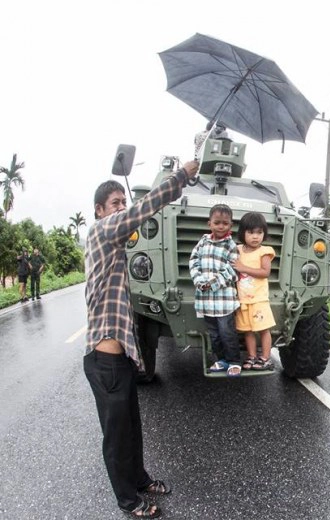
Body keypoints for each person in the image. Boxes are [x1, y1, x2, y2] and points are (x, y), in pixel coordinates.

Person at [84, 158, 199, 518]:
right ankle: (128, 500)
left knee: (132, 429)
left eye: (123, 202)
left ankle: (141, 479)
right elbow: (144, 209)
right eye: (115, 204)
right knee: (116, 438)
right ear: (100, 211)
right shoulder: (102, 231)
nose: (122, 208)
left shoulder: (116, 248)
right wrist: (182, 174)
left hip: (119, 361)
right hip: (105, 361)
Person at [189, 203, 242, 376]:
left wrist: (212, 283)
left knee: (227, 332)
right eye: (217, 222)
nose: (221, 226)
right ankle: (222, 359)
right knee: (214, 334)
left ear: (230, 225)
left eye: (225, 223)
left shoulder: (230, 245)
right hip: (205, 300)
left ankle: (234, 360)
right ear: (209, 223)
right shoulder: (203, 242)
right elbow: (193, 260)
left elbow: (233, 270)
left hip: (224, 300)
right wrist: (198, 279)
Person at [233, 212, 276, 371]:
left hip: (258, 299)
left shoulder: (264, 251)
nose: (255, 236)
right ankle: (251, 356)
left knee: (263, 329)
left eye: (259, 232)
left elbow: (265, 272)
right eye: (251, 232)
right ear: (243, 233)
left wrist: (243, 268)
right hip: (243, 300)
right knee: (248, 331)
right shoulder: (238, 250)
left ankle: (265, 358)